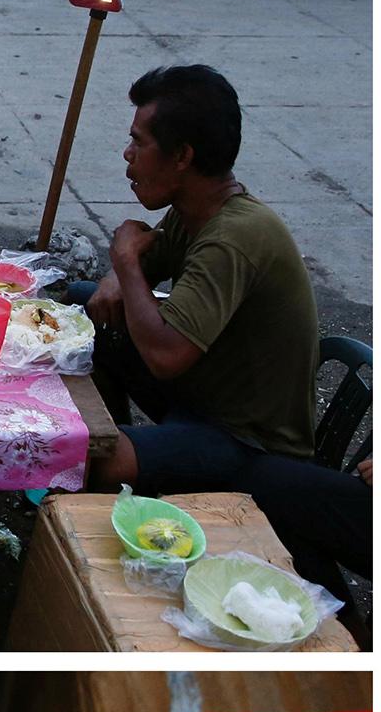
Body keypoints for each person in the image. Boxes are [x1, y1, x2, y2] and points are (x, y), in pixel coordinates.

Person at [86, 65, 320, 494]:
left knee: (97, 463)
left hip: (250, 443)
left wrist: (125, 262)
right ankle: (121, 441)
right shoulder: (195, 213)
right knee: (89, 317)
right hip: (201, 400)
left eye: (139, 141)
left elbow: (165, 355)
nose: (127, 154)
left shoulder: (235, 237)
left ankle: (116, 483)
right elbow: (128, 288)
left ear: (182, 156)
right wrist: (121, 276)